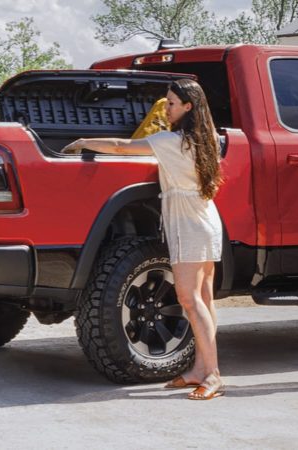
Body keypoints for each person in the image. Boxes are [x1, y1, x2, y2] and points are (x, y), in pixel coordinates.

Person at [60, 79, 226, 400]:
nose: (167, 109)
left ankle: (213, 374)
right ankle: (200, 369)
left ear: (188, 107)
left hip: (189, 224)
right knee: (203, 298)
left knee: (190, 299)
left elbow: (121, 146)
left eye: (172, 104)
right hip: (206, 219)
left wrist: (82, 141)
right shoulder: (205, 141)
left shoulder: (170, 140)